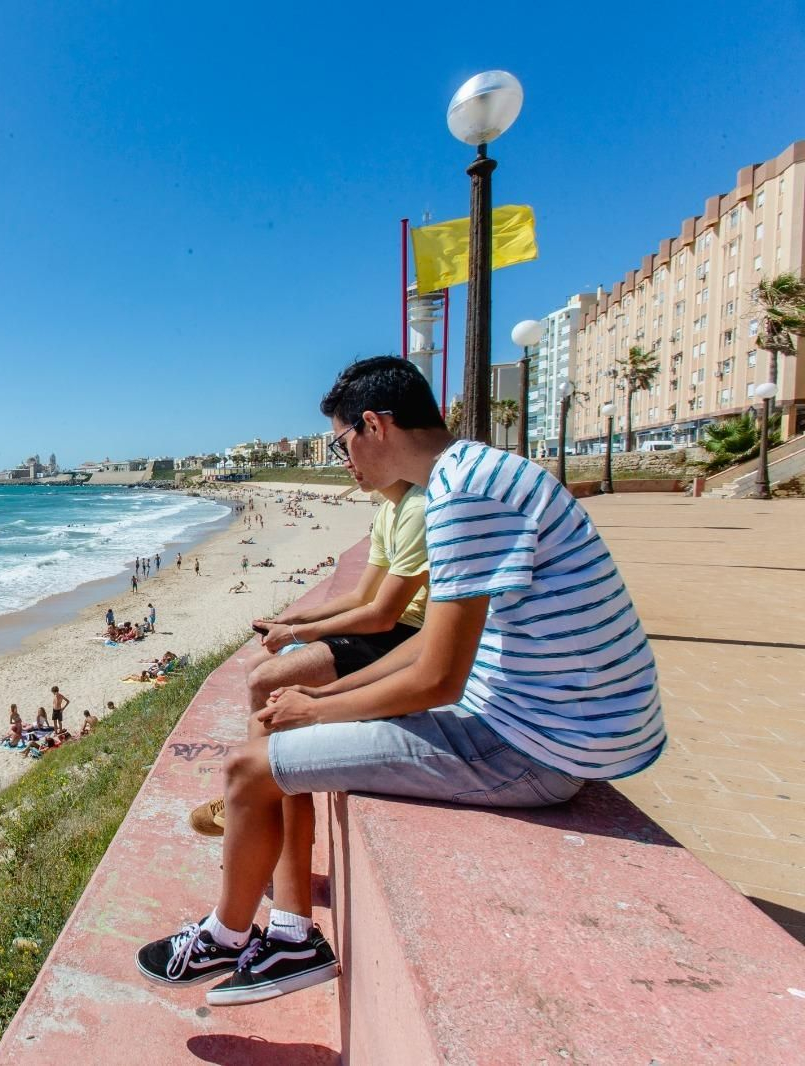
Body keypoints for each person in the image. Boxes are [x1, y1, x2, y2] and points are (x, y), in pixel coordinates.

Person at [139, 355, 663, 1007]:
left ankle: (234, 933)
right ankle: (289, 933)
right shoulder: (474, 473)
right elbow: (433, 659)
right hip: (548, 720)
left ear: (374, 425)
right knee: (280, 727)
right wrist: (320, 701)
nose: (343, 458)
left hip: (539, 749)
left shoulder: (460, 496)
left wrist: (318, 708)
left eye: (341, 442)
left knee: (252, 767)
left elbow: (438, 679)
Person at [189, 467, 431, 838]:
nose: (350, 465)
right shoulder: (387, 511)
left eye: (349, 448)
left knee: (265, 678)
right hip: (387, 627)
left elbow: (383, 615)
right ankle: (257, 784)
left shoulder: (417, 508)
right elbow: (359, 597)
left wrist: (295, 633)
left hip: (406, 635)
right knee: (257, 664)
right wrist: (288, 619)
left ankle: (254, 801)